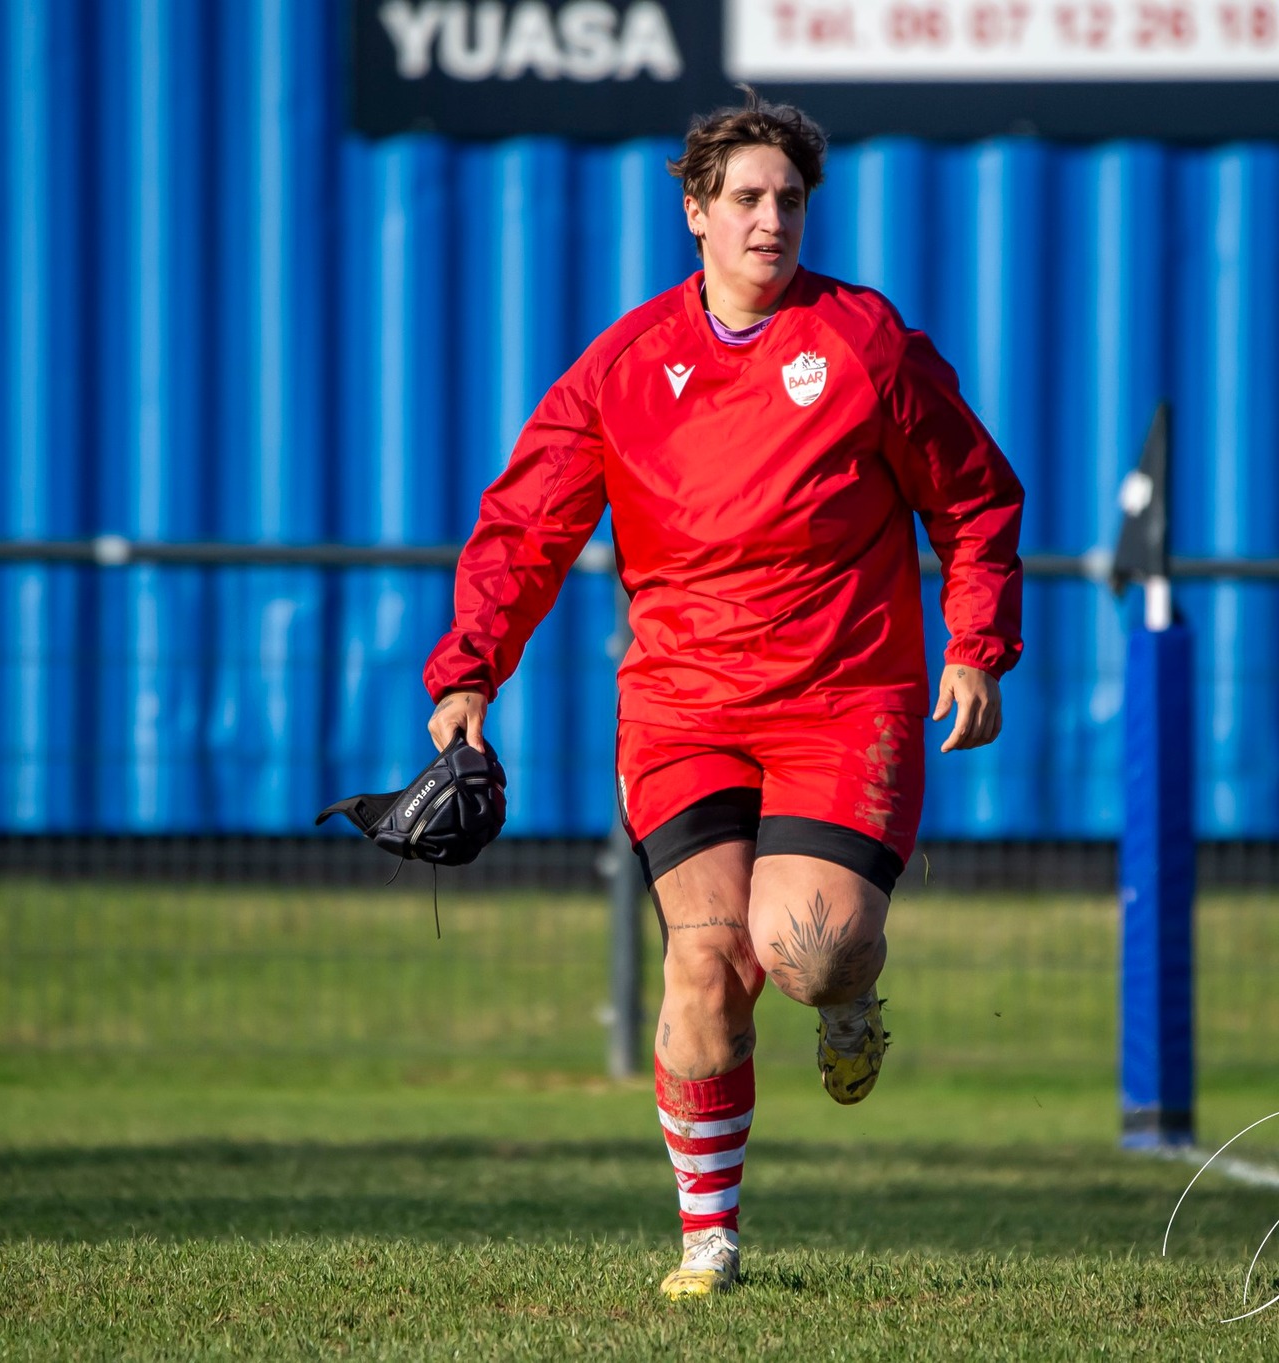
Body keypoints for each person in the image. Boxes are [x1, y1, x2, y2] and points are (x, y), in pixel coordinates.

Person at [421, 89, 1023, 1299]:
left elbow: (971, 498)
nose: (769, 220)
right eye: (744, 198)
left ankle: (846, 1003)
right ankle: (709, 1241)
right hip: (682, 704)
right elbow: (527, 524)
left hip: (842, 697)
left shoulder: (865, 343)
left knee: (808, 949)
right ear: (694, 212)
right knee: (703, 961)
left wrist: (975, 643)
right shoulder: (625, 365)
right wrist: (470, 667)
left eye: (788, 200)